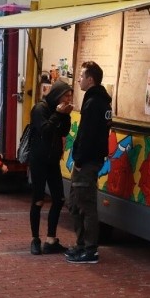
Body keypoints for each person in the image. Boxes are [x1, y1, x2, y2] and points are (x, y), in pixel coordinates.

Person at [65, 61, 112, 264]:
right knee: (76, 202)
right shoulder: (97, 100)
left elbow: (88, 135)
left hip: (87, 162)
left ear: (90, 79)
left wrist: (79, 159)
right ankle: (81, 244)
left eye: (81, 76)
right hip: (89, 159)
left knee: (86, 204)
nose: (78, 80)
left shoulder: (94, 103)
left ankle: (90, 249)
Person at [28, 79, 74, 255]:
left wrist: (66, 115)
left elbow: (62, 132)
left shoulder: (60, 109)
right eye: (66, 95)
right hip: (38, 160)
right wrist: (57, 114)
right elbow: (45, 130)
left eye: (70, 96)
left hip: (53, 160)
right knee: (38, 200)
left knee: (59, 199)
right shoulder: (40, 109)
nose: (68, 99)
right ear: (57, 95)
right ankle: (35, 239)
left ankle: (51, 239)